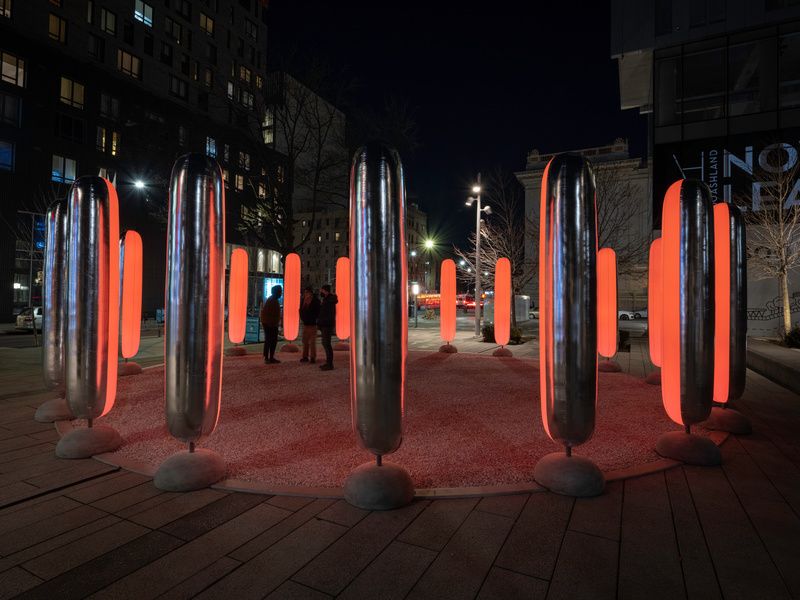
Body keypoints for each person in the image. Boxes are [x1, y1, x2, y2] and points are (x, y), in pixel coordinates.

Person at [317, 284, 338, 371]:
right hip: (326, 324)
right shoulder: (328, 300)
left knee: (326, 344)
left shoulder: (328, 301)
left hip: (327, 325)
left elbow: (326, 314)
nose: (320, 292)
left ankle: (329, 364)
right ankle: (328, 362)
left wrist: (322, 322)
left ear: (325, 291)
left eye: (321, 290)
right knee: (325, 343)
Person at [260, 285, 282, 364]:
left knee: (269, 341)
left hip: (269, 324)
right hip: (270, 325)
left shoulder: (271, 299)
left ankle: (268, 357)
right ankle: (269, 357)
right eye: (280, 292)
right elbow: (270, 314)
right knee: (271, 341)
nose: (281, 294)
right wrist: (273, 324)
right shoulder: (273, 301)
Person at [299, 286, 320, 363]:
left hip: (312, 324)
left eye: (307, 292)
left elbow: (318, 312)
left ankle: (312, 357)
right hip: (306, 323)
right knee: (305, 341)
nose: (306, 294)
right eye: (305, 293)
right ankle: (305, 356)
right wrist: (303, 318)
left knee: (312, 342)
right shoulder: (304, 301)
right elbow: (300, 310)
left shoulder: (315, 301)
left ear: (310, 293)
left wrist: (313, 318)